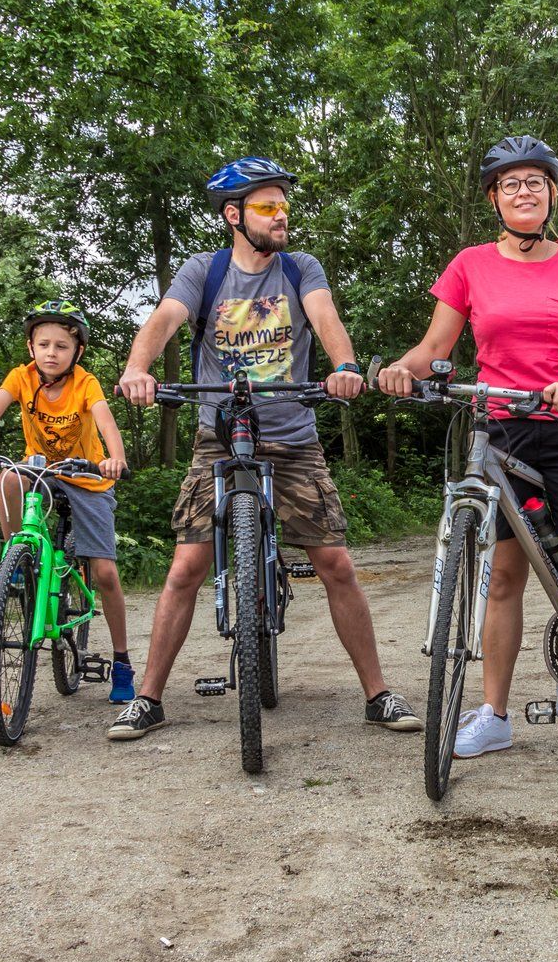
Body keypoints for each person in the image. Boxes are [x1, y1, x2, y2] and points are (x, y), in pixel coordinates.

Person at [113, 156, 419, 739]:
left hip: (293, 439)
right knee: (185, 567)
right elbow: (166, 319)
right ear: (234, 215)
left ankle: (378, 693)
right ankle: (148, 698)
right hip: (219, 438)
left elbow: (324, 317)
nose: (281, 215)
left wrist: (344, 367)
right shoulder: (204, 271)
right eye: (266, 206)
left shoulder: (300, 268)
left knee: (336, 564)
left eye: (284, 205)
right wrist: (137, 369)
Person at [378, 134, 558, 778]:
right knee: (501, 578)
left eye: (534, 182)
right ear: (494, 199)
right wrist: (399, 370)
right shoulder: (469, 265)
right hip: (502, 429)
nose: (523, 192)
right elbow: (435, 347)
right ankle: (493, 716)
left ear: (551, 193)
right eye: (510, 184)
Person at [0, 301, 135, 703]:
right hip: (42, 472)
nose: (52, 353)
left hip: (88, 478)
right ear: (31, 347)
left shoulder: (85, 383)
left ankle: (123, 663)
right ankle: (15, 559)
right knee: (9, 476)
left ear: (78, 352)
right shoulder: (21, 377)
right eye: (44, 345)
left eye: (61, 346)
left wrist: (115, 458)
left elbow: (105, 420)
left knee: (105, 572)